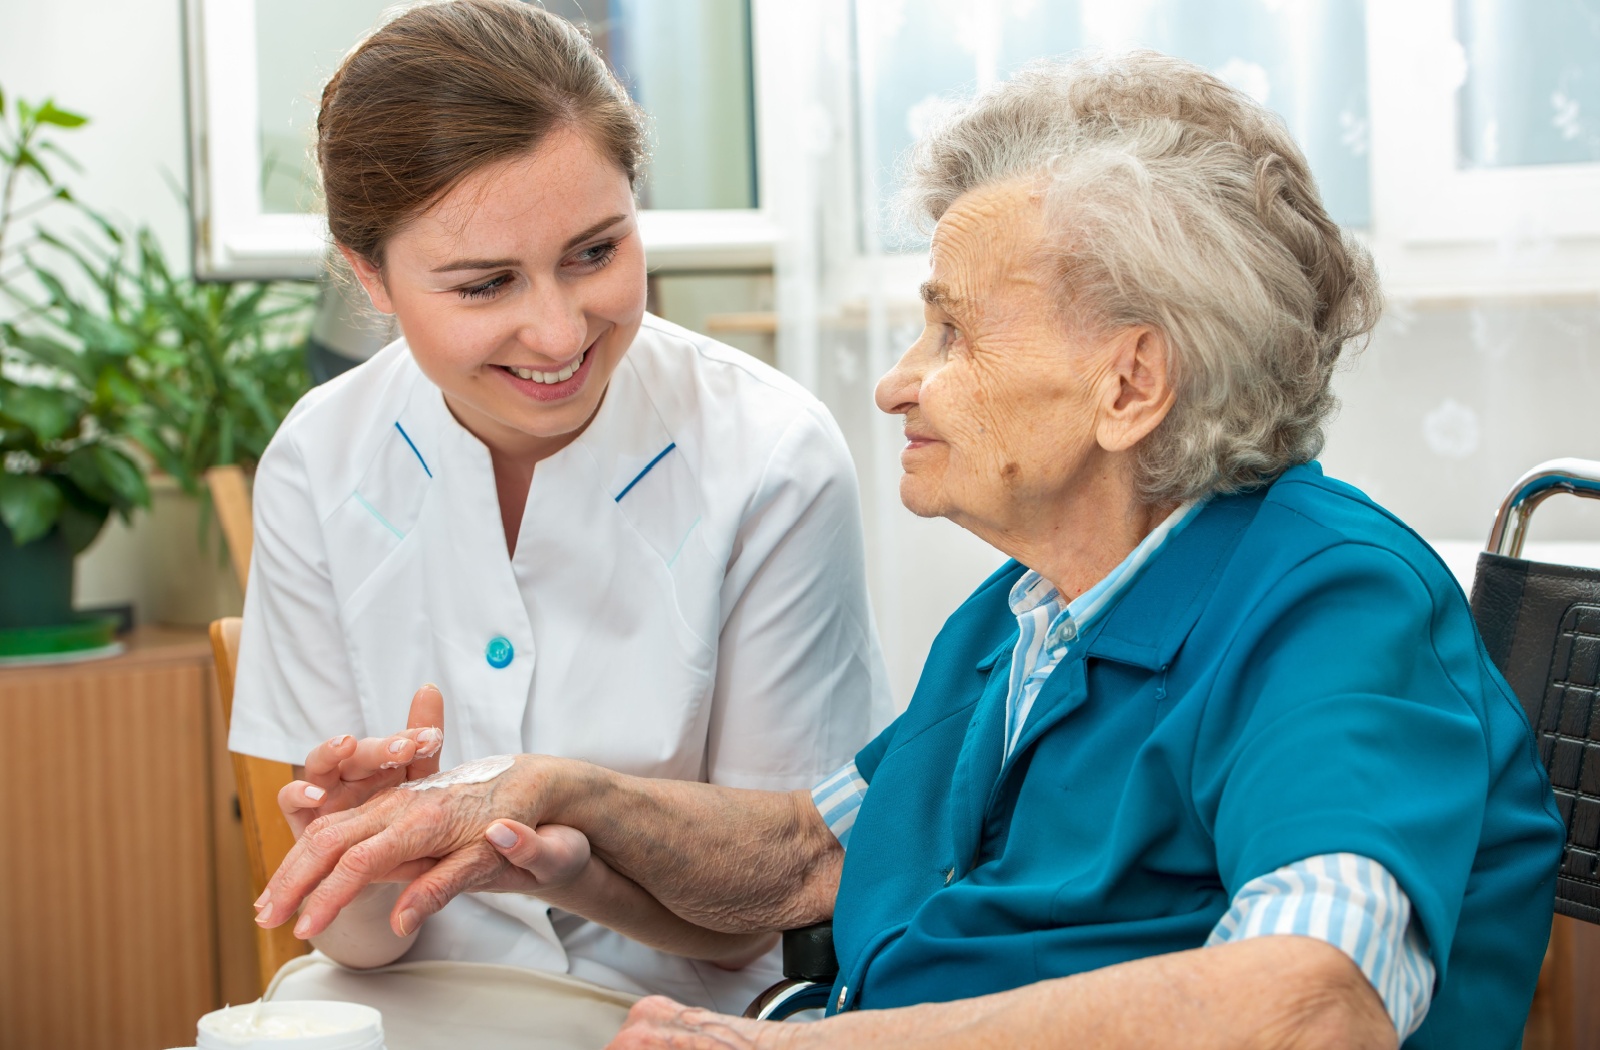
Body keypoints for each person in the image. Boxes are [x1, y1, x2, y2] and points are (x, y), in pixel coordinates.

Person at [259, 53, 1564, 1049]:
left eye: (950, 330)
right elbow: (806, 856)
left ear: (1130, 383)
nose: (897, 384)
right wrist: (552, 797)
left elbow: (1310, 998)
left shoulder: (1332, 609)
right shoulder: (1023, 616)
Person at [228, 0, 889, 1019]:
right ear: (370, 278)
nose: (556, 331)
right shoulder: (321, 460)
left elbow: (780, 901)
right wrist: (358, 846)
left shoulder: (769, 457)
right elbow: (352, 941)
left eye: (594, 252)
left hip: (679, 1015)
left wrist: (566, 861)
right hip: (391, 1003)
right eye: (486, 284)